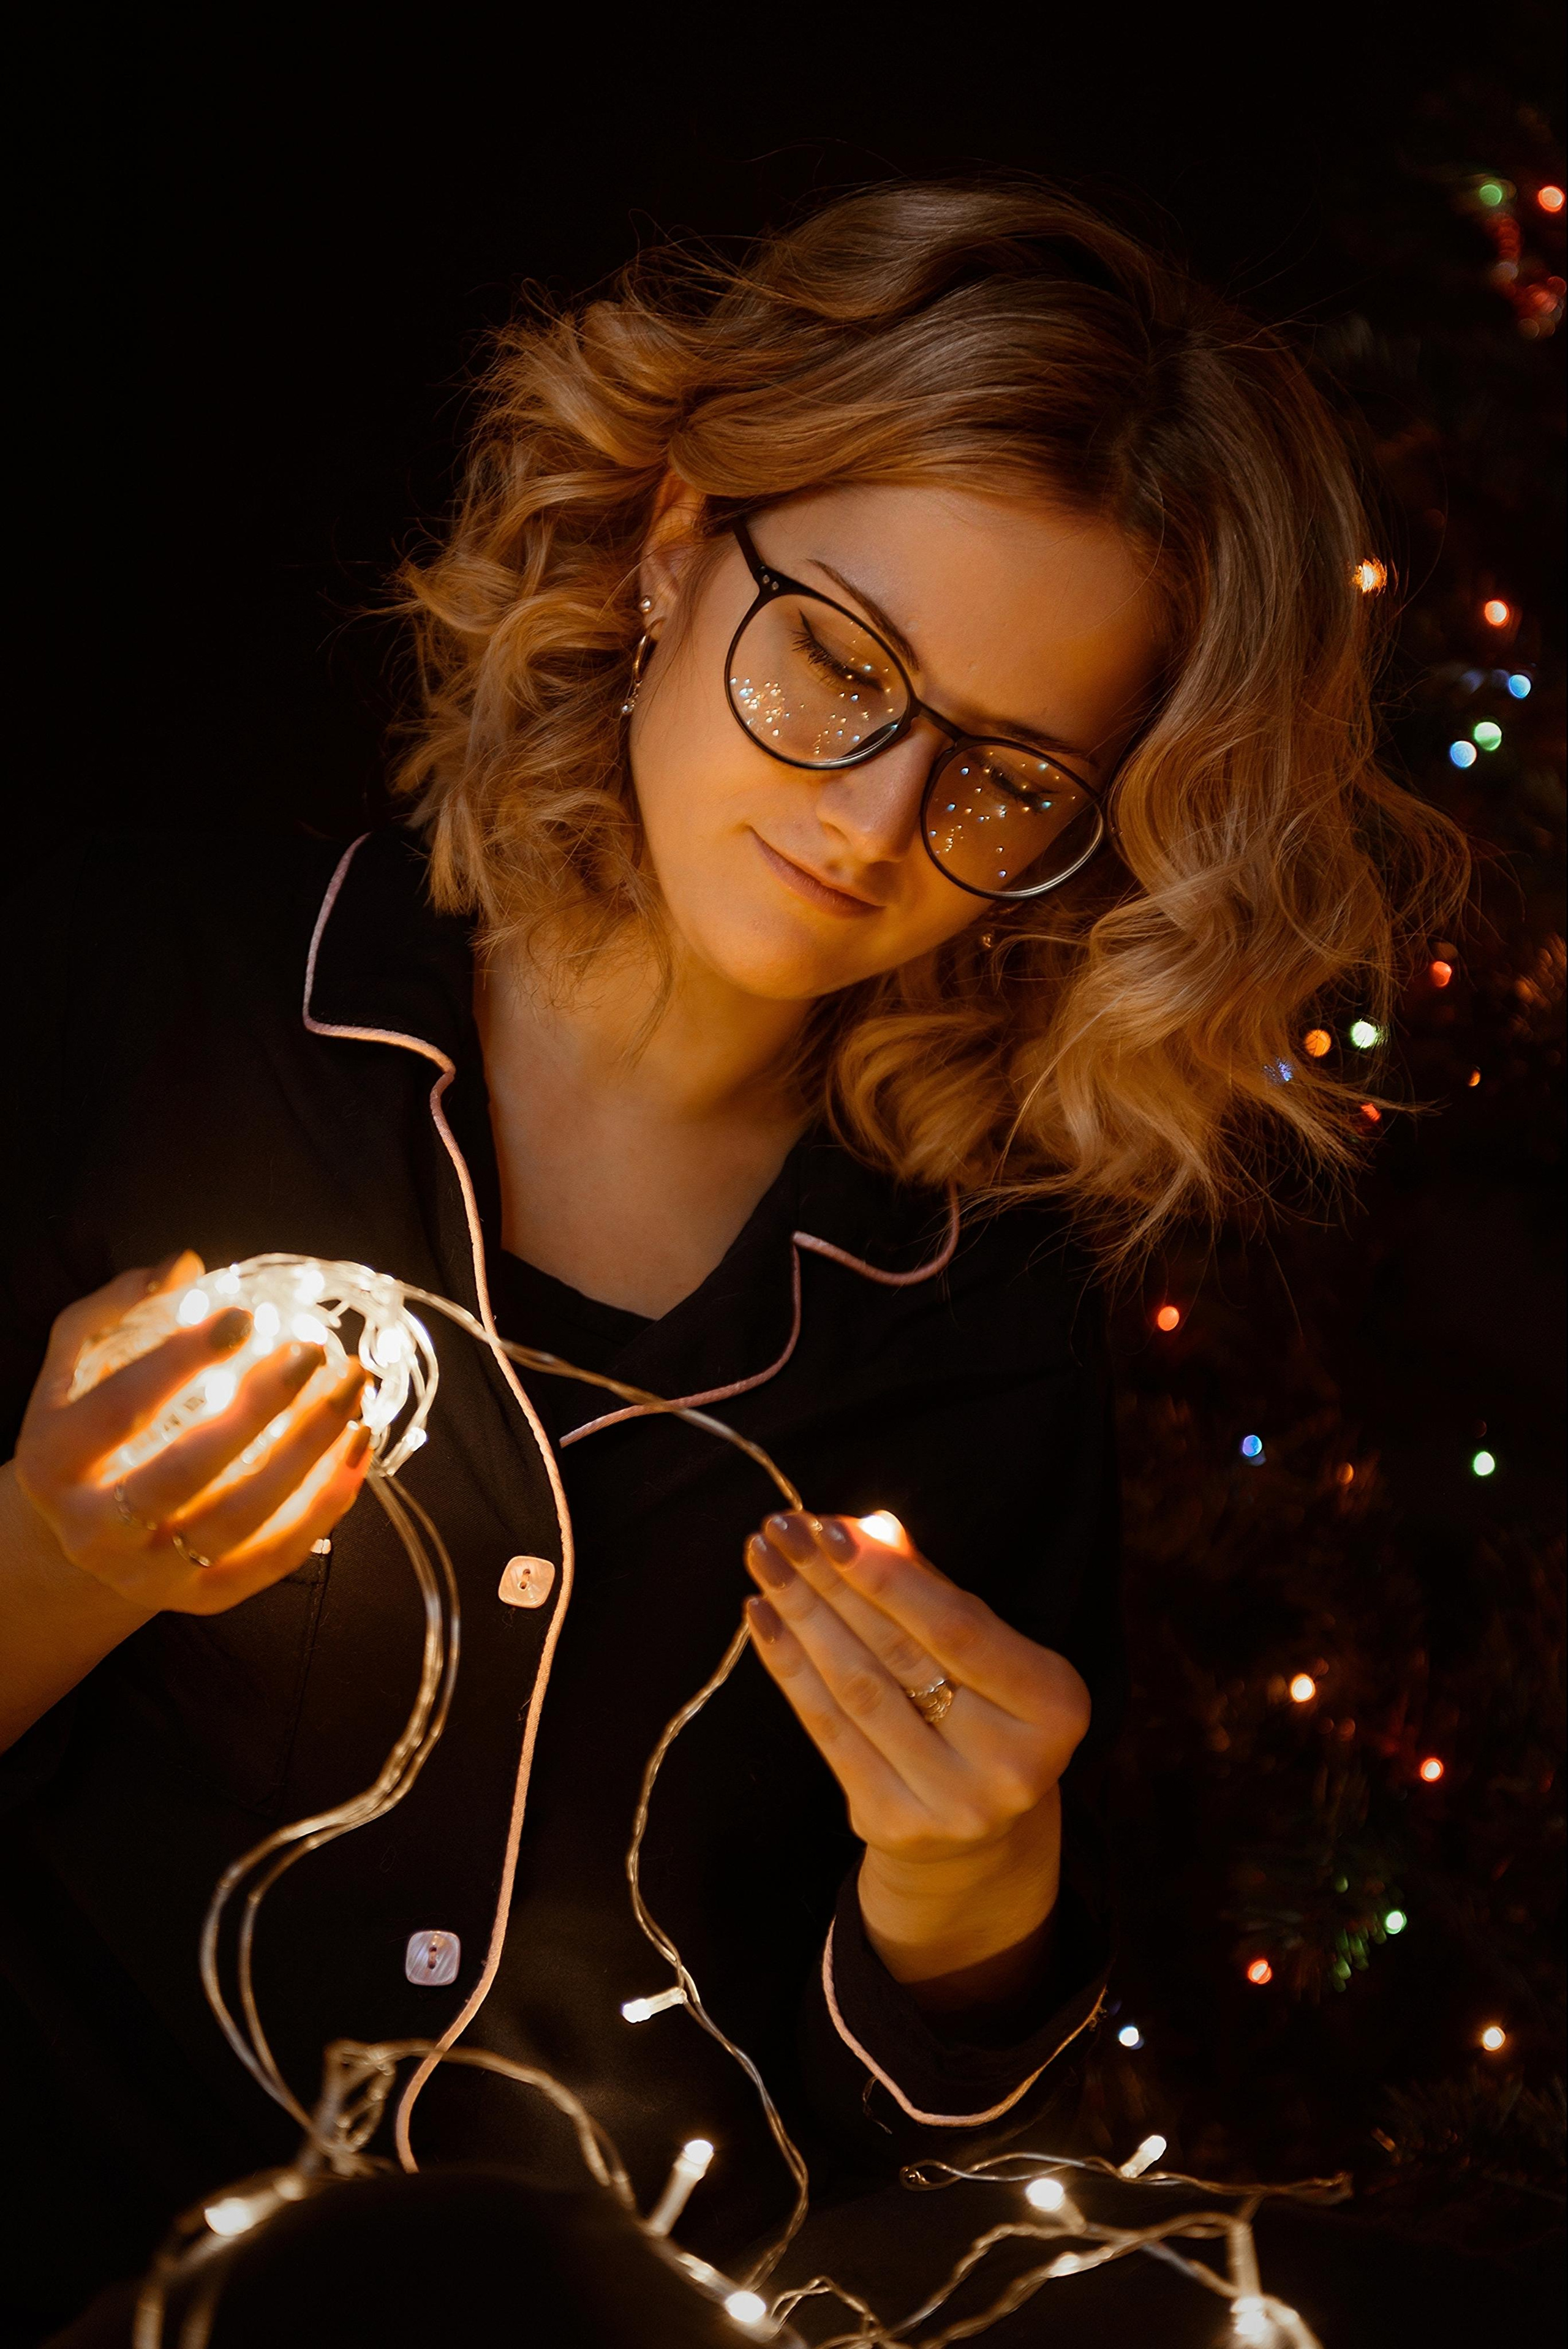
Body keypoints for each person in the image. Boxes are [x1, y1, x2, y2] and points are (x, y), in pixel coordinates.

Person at [0, 179, 1463, 2340]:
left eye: (1007, 776)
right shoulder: (148, 1016)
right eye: (841, 664)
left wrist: (973, 1880)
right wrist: (54, 1545)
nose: (876, 820)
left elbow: (956, 2143)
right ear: (678, 540)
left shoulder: (985, 1321)